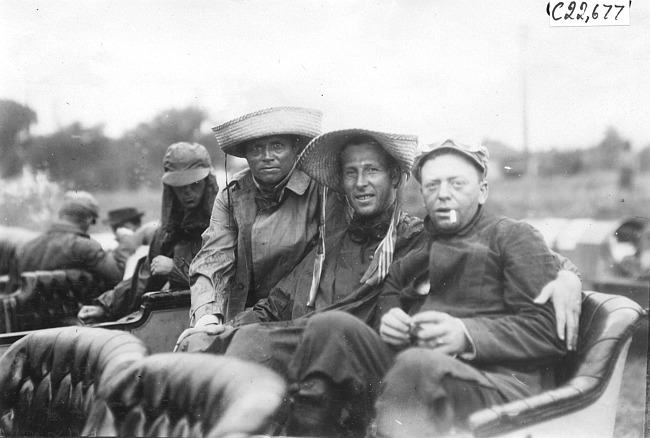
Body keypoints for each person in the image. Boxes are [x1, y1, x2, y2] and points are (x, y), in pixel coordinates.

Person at [283, 140, 572, 436]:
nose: (443, 195)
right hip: (417, 377)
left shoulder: (512, 236)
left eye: (456, 184)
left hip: (500, 385)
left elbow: (549, 330)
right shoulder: (425, 247)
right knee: (328, 327)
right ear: (423, 195)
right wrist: (391, 316)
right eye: (432, 186)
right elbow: (393, 284)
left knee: (416, 363)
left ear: (482, 190)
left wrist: (466, 334)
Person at [176, 107, 347, 346]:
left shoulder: (321, 188)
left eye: (277, 146)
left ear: (296, 148)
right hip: (241, 317)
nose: (267, 156)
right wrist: (207, 318)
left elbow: (327, 264)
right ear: (245, 154)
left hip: (303, 315)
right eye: (256, 148)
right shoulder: (232, 194)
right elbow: (213, 259)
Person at [77, 142, 219, 323]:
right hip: (180, 318)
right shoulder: (168, 231)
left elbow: (227, 278)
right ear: (170, 189)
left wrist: (175, 269)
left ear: (208, 183)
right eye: (180, 186)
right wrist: (104, 306)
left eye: (195, 184)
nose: (188, 192)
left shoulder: (225, 222)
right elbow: (144, 278)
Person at [14, 190, 131, 288]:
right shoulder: (85, 246)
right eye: (93, 221)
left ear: (61, 215)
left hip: (28, 314)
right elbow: (119, 276)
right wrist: (126, 240)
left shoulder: (26, 247)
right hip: (78, 314)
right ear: (89, 219)